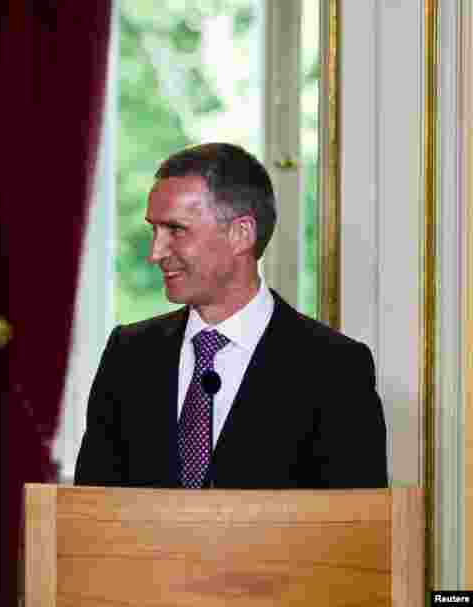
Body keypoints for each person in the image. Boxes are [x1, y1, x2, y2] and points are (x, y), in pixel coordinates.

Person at [74, 143, 387, 489]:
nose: (156, 252)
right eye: (154, 231)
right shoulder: (128, 355)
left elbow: (355, 529)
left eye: (176, 230)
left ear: (241, 234)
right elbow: (91, 511)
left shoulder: (335, 368)